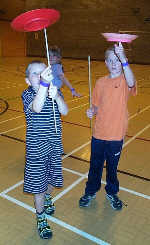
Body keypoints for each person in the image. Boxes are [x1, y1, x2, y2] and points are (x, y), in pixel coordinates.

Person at [79, 42, 136, 210]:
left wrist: (123, 58)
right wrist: (92, 110)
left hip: (115, 135)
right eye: (110, 60)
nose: (114, 64)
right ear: (105, 63)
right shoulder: (100, 82)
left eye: (117, 60)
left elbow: (132, 82)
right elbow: (96, 104)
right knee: (94, 166)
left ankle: (112, 191)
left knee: (112, 168)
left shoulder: (125, 80)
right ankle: (90, 191)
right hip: (98, 134)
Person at [22, 61, 68, 239]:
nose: (41, 76)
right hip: (36, 151)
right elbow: (37, 107)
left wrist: (56, 96)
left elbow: (64, 112)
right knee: (39, 187)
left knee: (51, 180)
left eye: (43, 72)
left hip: (54, 147)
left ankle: (48, 197)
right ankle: (41, 217)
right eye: (35, 74)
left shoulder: (53, 91)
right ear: (28, 80)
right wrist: (43, 85)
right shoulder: (27, 94)